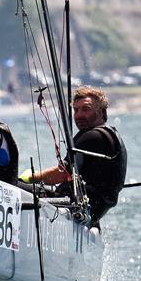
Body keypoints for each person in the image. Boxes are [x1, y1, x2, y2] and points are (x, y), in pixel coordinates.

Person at [19, 85, 127, 222]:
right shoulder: (112, 134)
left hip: (75, 206)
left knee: (11, 186)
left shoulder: (92, 136)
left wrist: (32, 177)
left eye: (86, 109)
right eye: (76, 110)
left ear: (101, 112)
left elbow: (62, 173)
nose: (79, 115)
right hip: (92, 210)